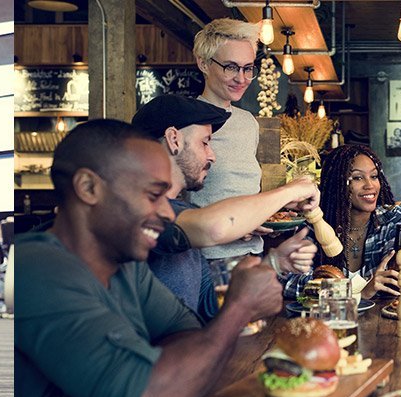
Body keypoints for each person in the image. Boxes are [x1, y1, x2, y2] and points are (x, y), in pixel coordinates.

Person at [14, 119, 284, 397]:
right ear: (89, 187)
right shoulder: (36, 268)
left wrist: (131, 382)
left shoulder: (127, 267)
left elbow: (192, 340)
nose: (168, 214)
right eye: (154, 195)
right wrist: (239, 308)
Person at [132, 94, 318, 322]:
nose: (212, 155)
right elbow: (214, 227)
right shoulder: (143, 210)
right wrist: (291, 190)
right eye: (205, 142)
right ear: (174, 139)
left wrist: (275, 263)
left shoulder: (181, 210)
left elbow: (210, 305)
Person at [282, 144, 401, 301]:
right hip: (326, 318)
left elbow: (393, 286)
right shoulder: (313, 225)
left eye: (374, 176)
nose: (370, 185)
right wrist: (359, 292)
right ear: (336, 183)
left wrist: (332, 288)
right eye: (358, 178)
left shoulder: (395, 220)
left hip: (378, 318)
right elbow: (290, 284)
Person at [187, 19, 268, 265]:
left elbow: (244, 189)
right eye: (231, 67)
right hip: (208, 262)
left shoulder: (248, 123)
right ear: (203, 63)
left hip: (253, 257)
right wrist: (231, 226)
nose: (241, 78)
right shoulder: (185, 121)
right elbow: (170, 204)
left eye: (248, 68)